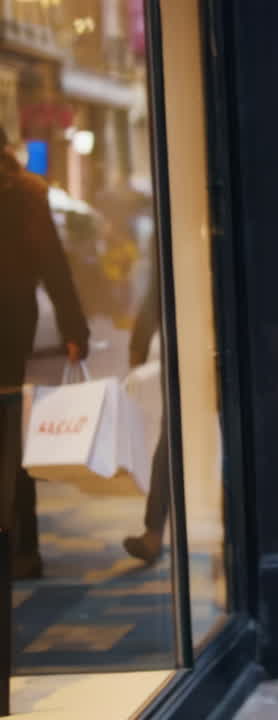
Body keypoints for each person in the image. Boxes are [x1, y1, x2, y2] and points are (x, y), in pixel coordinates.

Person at [0, 127, 90, 580]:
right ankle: (22, 548)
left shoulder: (28, 192)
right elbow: (53, 264)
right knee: (11, 436)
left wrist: (74, 325)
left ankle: (23, 547)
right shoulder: (29, 190)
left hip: (10, 327)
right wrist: (73, 326)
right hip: (13, 326)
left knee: (11, 435)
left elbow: (52, 262)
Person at [122, 264, 169, 563]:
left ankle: (153, 534)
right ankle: (153, 532)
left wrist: (138, 345)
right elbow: (158, 288)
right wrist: (138, 343)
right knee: (170, 442)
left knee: (170, 442)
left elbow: (157, 288)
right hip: (189, 346)